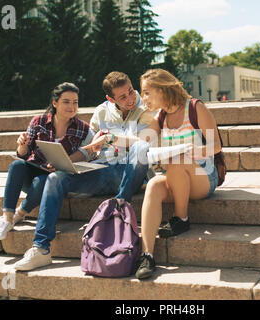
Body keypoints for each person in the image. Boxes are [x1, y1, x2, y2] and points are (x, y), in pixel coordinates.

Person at [13, 71, 153, 271]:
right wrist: (66, 162)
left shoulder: (146, 109)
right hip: (103, 170)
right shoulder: (101, 112)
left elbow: (147, 145)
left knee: (140, 149)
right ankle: (41, 248)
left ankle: (119, 205)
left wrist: (112, 139)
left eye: (131, 91)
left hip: (132, 172)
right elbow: (90, 150)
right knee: (55, 178)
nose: (130, 98)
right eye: (122, 96)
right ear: (110, 98)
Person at [134, 68, 221, 279]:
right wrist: (109, 140)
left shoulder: (195, 107)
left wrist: (188, 152)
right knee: (154, 185)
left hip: (203, 176)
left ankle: (181, 217)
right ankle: (147, 255)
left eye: (147, 92)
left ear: (163, 89)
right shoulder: (160, 117)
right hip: (177, 176)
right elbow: (140, 142)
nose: (143, 98)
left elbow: (216, 145)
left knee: (178, 158)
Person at [0, 82, 93, 241]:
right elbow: (23, 155)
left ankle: (20, 214)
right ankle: (7, 218)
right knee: (16, 164)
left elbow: (89, 153)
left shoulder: (83, 129)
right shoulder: (38, 121)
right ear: (55, 103)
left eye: (75, 102)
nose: (72, 107)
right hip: (32, 172)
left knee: (44, 180)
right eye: (66, 101)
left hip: (54, 179)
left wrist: (63, 165)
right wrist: (21, 146)